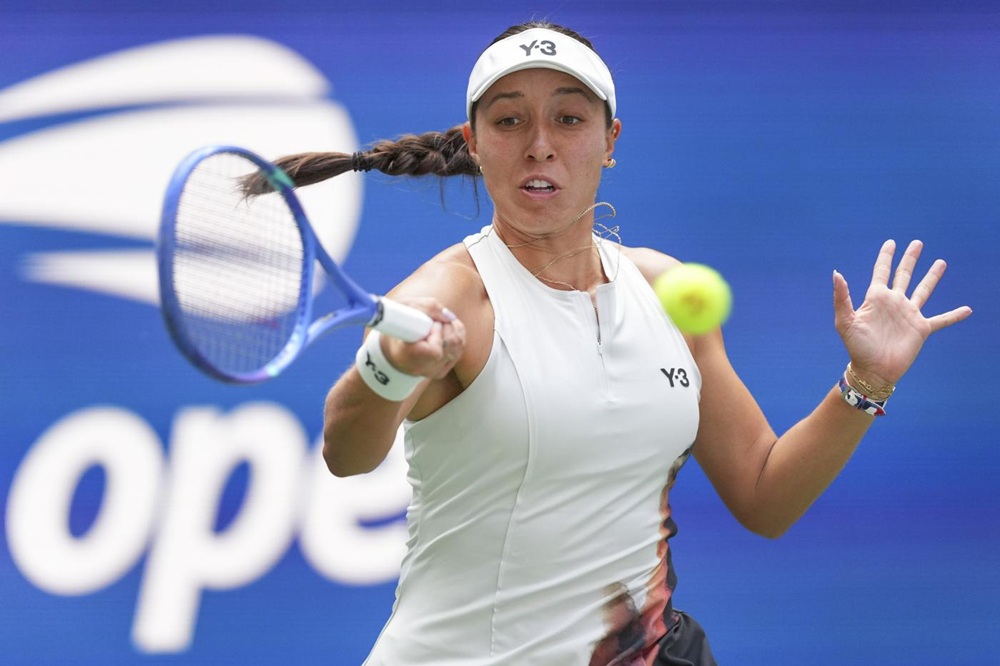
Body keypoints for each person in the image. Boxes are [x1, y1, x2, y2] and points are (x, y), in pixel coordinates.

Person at [269, 20, 972, 665]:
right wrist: (390, 365)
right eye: (509, 120)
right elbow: (345, 453)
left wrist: (867, 380)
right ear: (474, 143)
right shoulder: (450, 295)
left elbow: (765, 496)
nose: (539, 143)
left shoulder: (664, 290)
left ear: (610, 141)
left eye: (569, 118)